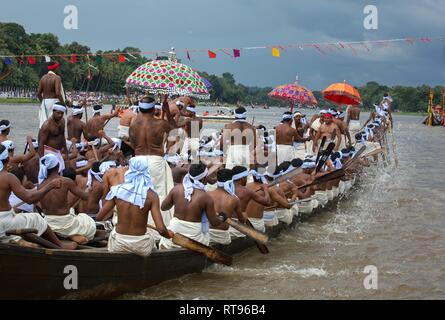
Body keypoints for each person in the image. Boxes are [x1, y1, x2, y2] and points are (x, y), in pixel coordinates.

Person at [0, 144, 76, 250]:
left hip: (4, 221)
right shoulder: (8, 177)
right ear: (7, 159)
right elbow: (30, 199)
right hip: (3, 223)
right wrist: (50, 186)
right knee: (36, 218)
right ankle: (60, 245)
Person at [96, 156, 173, 257]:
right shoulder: (152, 196)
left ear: (130, 170)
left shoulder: (117, 191)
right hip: (141, 246)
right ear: (146, 171)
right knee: (152, 241)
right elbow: (161, 229)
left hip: (119, 243)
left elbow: (99, 217)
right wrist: (169, 235)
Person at [129, 95, 177, 226]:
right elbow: (175, 130)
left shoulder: (133, 125)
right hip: (155, 161)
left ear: (140, 109)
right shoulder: (160, 123)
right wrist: (167, 112)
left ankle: (137, 224)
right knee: (159, 194)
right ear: (153, 109)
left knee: (137, 194)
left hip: (137, 161)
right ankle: (161, 226)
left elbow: (133, 145)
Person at [159, 163, 226, 249]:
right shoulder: (206, 197)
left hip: (175, 230)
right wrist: (222, 217)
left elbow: (163, 207)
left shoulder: (176, 189)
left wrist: (177, 201)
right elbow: (214, 223)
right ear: (204, 178)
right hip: (194, 235)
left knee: (165, 239)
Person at [38, 154, 98, 245]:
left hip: (47, 221)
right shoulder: (66, 181)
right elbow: (85, 197)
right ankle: (70, 234)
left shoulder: (40, 185)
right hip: (65, 222)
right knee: (88, 222)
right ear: (58, 166)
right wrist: (89, 190)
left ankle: (65, 234)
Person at [231, 166, 270, 236]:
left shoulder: (224, 188)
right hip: (240, 225)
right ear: (242, 178)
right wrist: (266, 189)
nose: (246, 179)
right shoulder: (247, 191)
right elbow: (267, 202)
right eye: (246, 177)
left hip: (228, 224)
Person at [208, 169, 241, 245]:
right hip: (223, 237)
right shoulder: (234, 199)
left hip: (207, 234)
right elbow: (242, 220)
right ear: (231, 181)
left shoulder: (207, 194)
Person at [38, 102, 68, 172]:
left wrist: (66, 152)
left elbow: (62, 136)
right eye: (58, 113)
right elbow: (41, 143)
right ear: (53, 111)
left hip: (58, 152)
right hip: (49, 152)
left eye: (62, 113)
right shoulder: (47, 125)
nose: (60, 115)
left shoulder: (62, 121)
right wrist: (42, 160)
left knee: (61, 171)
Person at [36, 61, 65, 128]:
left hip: (44, 102)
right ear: (55, 68)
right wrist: (63, 104)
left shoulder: (43, 78)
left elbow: (38, 93)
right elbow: (58, 93)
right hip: (54, 102)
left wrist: (42, 102)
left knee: (44, 124)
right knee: (54, 124)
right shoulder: (57, 77)